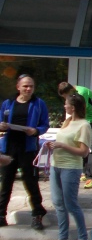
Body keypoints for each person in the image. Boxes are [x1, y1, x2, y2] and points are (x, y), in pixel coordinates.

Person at [0, 74, 50, 229]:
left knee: (31, 182)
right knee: (6, 182)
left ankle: (37, 214)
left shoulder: (39, 104)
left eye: (31, 86)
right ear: (18, 87)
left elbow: (44, 125)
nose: (28, 89)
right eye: (25, 86)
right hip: (9, 147)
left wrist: (36, 131)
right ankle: (1, 215)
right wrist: (2, 126)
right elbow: (1, 121)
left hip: (28, 148)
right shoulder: (8, 103)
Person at [45, 93, 91, 240]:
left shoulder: (84, 125)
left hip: (71, 168)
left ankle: (83, 238)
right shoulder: (67, 121)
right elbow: (63, 140)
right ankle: (63, 237)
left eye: (66, 104)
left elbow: (84, 152)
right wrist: (52, 144)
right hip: (55, 165)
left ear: (73, 107)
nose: (64, 106)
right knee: (58, 202)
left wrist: (62, 146)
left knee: (71, 204)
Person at [57, 82, 92, 189]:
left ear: (69, 91)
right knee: (81, 145)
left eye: (66, 96)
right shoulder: (74, 93)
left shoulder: (82, 92)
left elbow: (81, 110)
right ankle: (85, 173)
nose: (66, 99)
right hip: (87, 120)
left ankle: (91, 178)